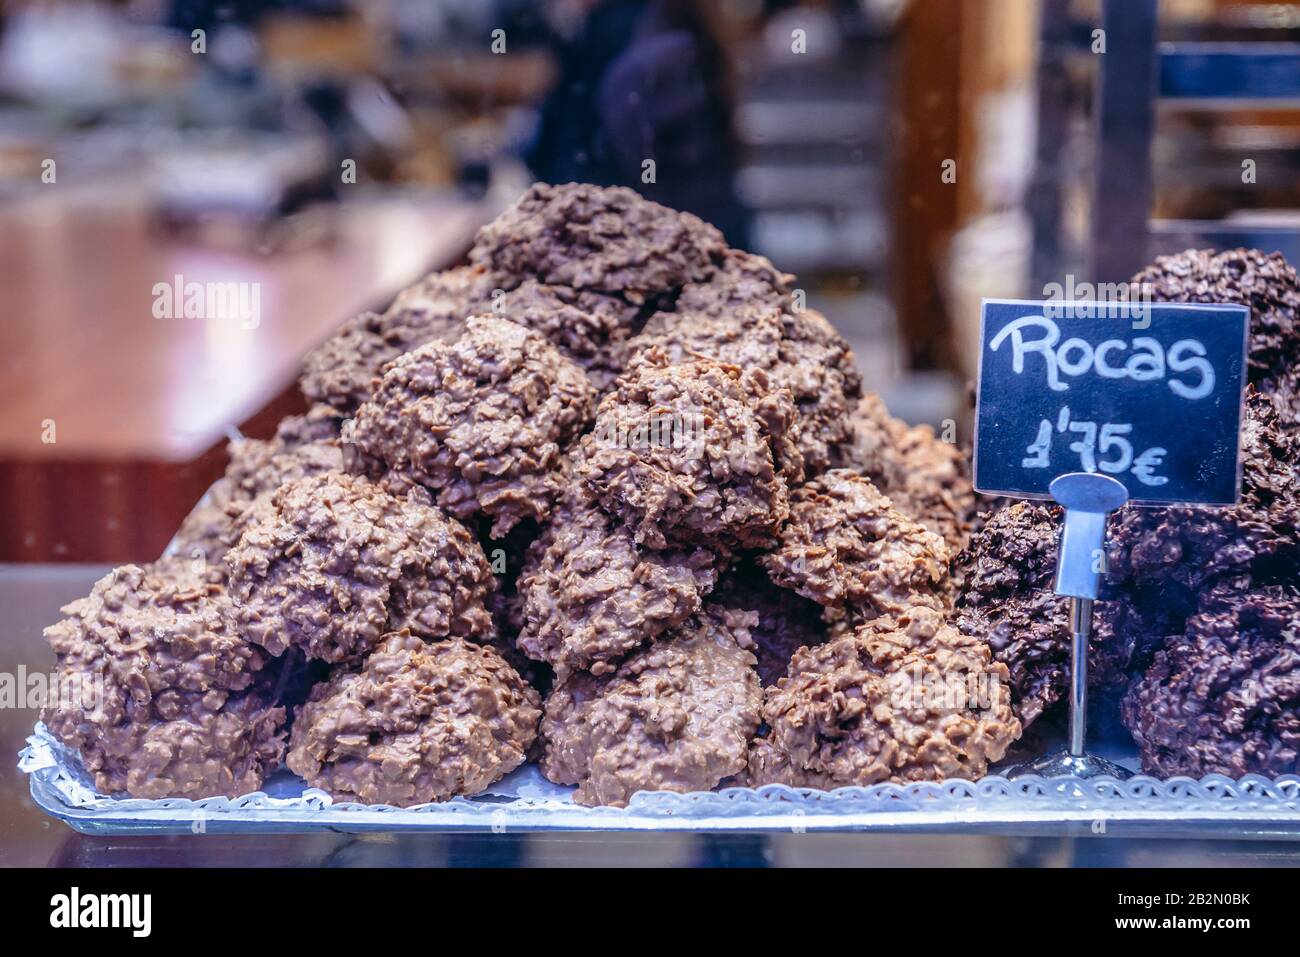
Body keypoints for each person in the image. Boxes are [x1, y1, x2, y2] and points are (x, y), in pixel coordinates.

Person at [524, 0, 750, 245]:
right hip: (687, 239)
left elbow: (612, 170)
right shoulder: (652, 28)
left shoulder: (633, 43)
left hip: (668, 247)